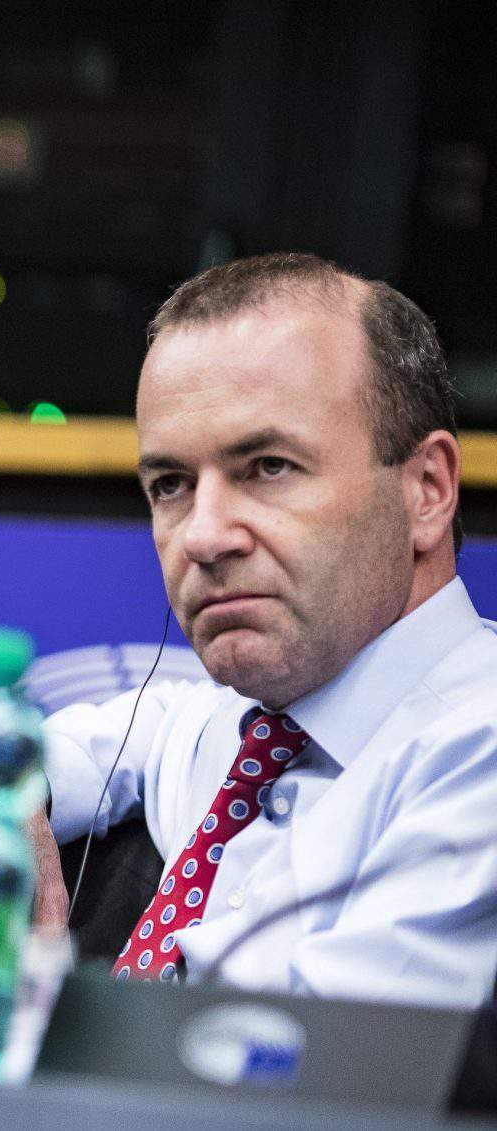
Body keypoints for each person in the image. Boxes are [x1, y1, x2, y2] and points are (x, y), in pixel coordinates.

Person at [30, 252, 497, 1008]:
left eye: (269, 467)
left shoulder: (477, 757)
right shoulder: (248, 721)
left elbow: (310, 1064)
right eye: (171, 484)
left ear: (427, 490)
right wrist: (8, 793)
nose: (203, 536)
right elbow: (116, 740)